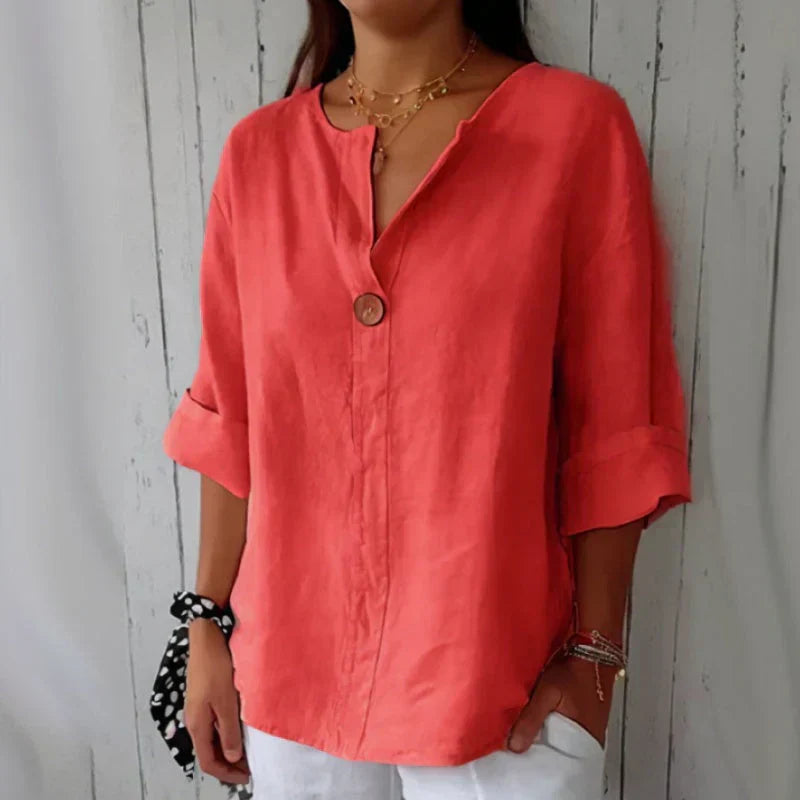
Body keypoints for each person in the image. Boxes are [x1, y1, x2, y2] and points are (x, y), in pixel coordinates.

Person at [160, 1, 692, 798]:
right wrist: (205, 622)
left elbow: (615, 422)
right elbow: (229, 416)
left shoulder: (574, 129)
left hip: (503, 691)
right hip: (291, 684)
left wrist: (596, 656)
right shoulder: (259, 156)